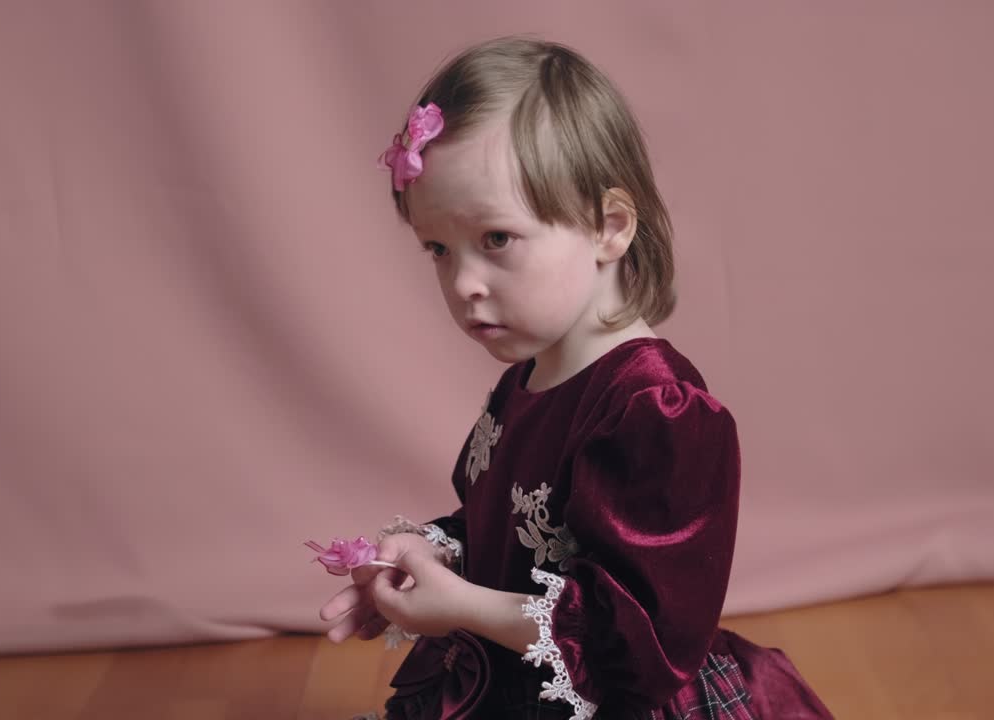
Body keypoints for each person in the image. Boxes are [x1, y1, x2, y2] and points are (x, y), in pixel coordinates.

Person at [319, 36, 834, 720]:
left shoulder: (658, 409)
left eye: (496, 239)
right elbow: (513, 532)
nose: (464, 283)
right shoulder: (528, 376)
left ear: (609, 227)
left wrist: (463, 607)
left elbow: (636, 643)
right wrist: (432, 557)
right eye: (438, 250)